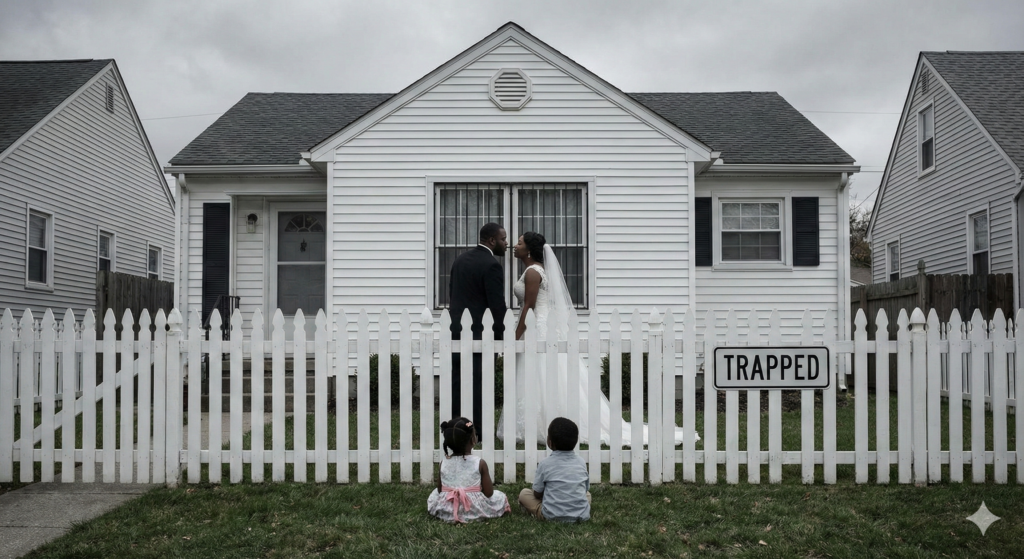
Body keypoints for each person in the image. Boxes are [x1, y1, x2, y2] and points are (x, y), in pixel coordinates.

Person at [496, 231, 699, 447]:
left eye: (519, 243)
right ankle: (540, 422)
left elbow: (528, 307)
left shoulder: (533, 272)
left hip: (539, 329)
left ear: (529, 250)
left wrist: (514, 338)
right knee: (542, 376)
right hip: (539, 327)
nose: (514, 246)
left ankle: (548, 423)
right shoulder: (534, 270)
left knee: (544, 375)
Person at [448, 223, 508, 442]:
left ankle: (456, 427)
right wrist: (503, 336)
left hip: (456, 331)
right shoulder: (492, 265)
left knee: (456, 381)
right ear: (492, 241)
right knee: (479, 385)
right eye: (504, 239)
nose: (506, 243)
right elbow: (496, 305)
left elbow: (453, 294)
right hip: (480, 334)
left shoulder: (459, 260)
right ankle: (477, 430)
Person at [427, 417, 510, 523]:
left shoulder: (443, 463)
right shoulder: (479, 463)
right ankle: (471, 514)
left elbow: (439, 490)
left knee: (434, 495)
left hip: (448, 508)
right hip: (472, 508)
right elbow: (489, 493)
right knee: (500, 496)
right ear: (473, 440)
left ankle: (452, 514)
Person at [518, 417, 591, 522]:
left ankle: (552, 507)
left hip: (551, 515)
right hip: (581, 515)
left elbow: (537, 494)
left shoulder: (545, 464)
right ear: (575, 442)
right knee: (588, 495)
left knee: (524, 494)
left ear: (550, 442)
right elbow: (585, 489)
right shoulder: (581, 462)